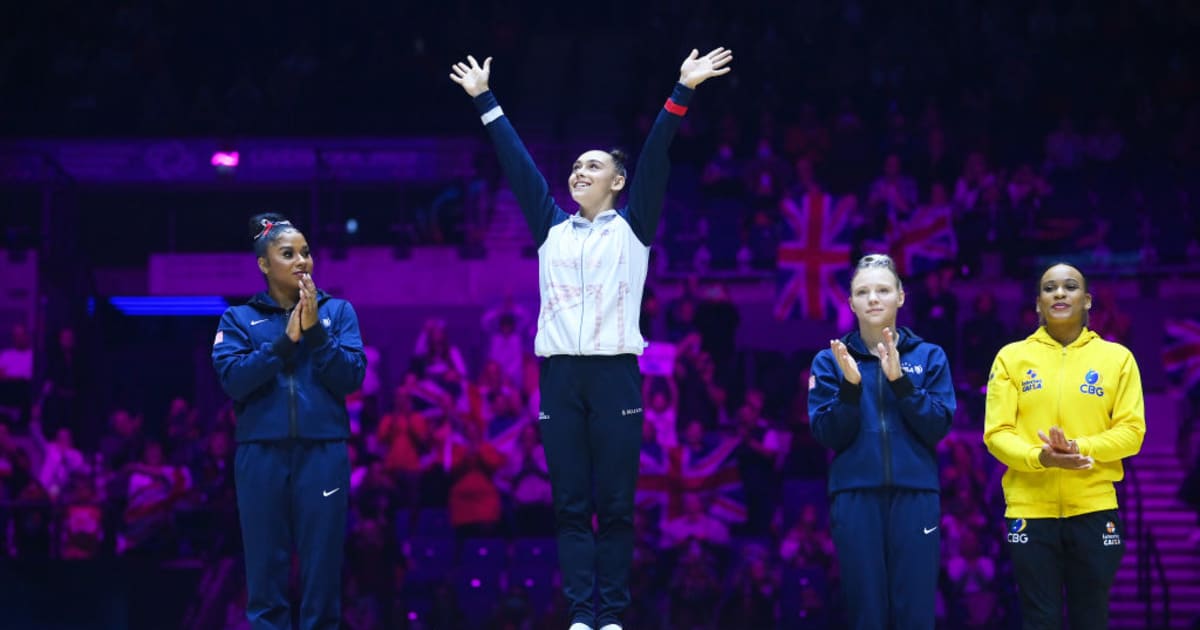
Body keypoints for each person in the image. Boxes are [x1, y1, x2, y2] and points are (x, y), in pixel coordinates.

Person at [450, 47, 732, 630]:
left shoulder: (634, 227)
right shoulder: (549, 228)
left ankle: (613, 617)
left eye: (593, 166)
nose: (579, 171)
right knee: (572, 505)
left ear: (618, 182)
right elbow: (517, 164)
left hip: (615, 375)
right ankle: (582, 616)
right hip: (558, 377)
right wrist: (484, 99)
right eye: (576, 166)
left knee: (617, 505)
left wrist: (681, 91)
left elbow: (656, 156)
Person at [211, 213, 366, 629]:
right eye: (288, 254)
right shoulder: (238, 319)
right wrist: (285, 344)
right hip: (260, 454)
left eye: (306, 252)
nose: (302, 261)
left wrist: (315, 334)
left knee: (323, 574)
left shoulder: (339, 312)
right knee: (265, 574)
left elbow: (351, 378)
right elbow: (234, 381)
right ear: (264, 264)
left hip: (324, 453)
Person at [983, 262, 1145, 629]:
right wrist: (1040, 457)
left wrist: (1078, 447)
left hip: (1094, 509)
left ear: (1087, 300)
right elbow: (996, 433)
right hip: (1029, 510)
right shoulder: (1011, 358)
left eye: (1070, 286)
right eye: (1049, 288)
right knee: (1040, 619)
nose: (1059, 293)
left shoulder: (1117, 359)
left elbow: (1132, 432)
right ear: (1038, 303)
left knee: (1091, 618)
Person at [807, 253, 956, 629]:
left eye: (883, 290)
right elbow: (827, 434)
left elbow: (937, 426)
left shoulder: (930, 356)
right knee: (866, 613)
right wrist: (850, 388)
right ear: (851, 302)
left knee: (916, 613)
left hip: (916, 495)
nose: (873, 298)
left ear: (901, 296)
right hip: (854, 495)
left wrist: (901, 382)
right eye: (863, 292)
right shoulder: (830, 361)